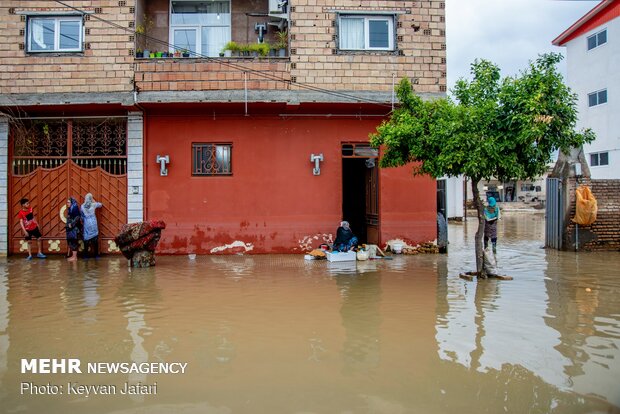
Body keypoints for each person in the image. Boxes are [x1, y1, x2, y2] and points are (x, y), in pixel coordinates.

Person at [81, 193, 103, 258]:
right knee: (95, 238)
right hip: (93, 222)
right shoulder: (93, 205)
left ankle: (86, 255)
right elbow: (101, 205)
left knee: (86, 239)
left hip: (87, 223)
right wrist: (94, 201)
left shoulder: (82, 206)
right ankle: (96, 255)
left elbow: (82, 215)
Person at [65, 197, 82, 262]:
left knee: (74, 241)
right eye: (67, 202)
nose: (67, 204)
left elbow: (77, 218)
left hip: (74, 229)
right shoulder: (71, 209)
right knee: (71, 241)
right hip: (71, 229)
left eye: (69, 202)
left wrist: (71, 224)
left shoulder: (75, 209)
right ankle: (73, 256)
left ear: (72, 203)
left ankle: (75, 257)